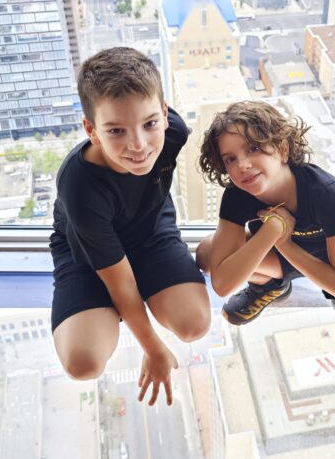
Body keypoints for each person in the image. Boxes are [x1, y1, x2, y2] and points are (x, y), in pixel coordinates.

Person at [50, 47, 210, 406]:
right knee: (83, 364)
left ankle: (136, 304)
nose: (138, 145)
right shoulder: (78, 186)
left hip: (149, 230)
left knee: (193, 325)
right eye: (116, 131)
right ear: (91, 130)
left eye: (150, 123)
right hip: (89, 257)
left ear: (165, 114)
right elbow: (119, 278)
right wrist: (152, 346)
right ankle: (109, 316)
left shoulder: (173, 134)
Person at [195, 101, 335, 353]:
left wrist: (284, 242)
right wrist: (272, 232)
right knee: (208, 254)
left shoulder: (325, 192)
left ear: (282, 149)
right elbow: (222, 283)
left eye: (253, 148)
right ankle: (270, 285)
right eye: (231, 159)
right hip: (280, 256)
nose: (242, 165)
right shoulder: (237, 194)